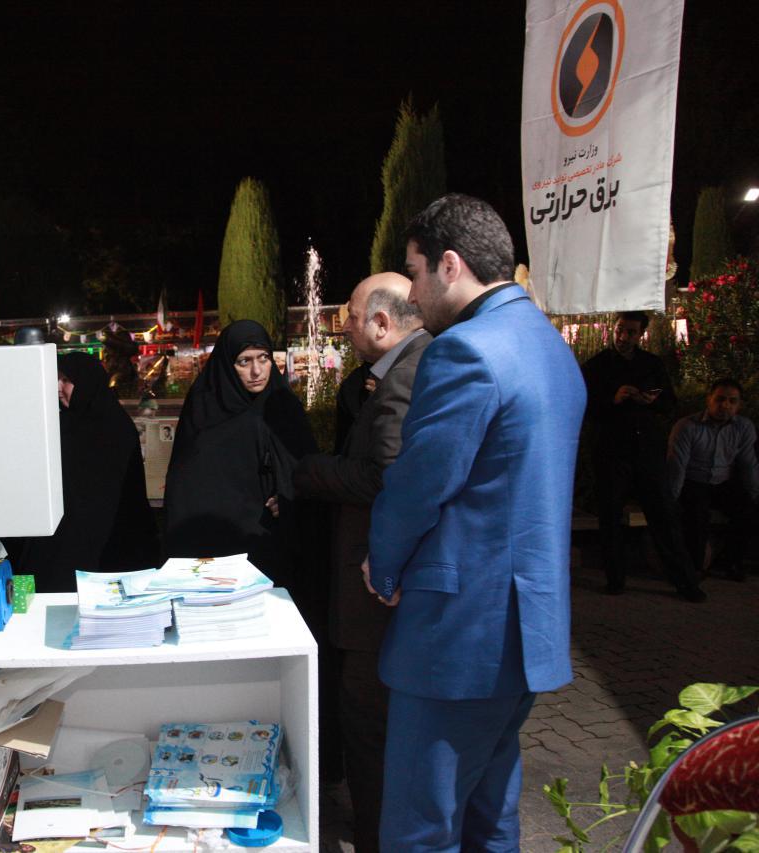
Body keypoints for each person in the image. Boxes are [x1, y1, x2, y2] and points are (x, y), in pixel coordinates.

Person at [362, 194, 586, 850]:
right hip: (524, 631)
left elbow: (419, 484)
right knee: (490, 819)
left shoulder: (465, 350)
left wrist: (384, 566)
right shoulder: (548, 345)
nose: (411, 292)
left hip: (458, 638)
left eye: (414, 271)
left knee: (419, 829)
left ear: (450, 265)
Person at [293, 272, 430, 853]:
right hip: (388, 587)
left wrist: (313, 471)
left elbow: (385, 476)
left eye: (349, 315)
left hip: (377, 590)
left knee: (369, 722)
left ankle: (376, 837)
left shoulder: (405, 376)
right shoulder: (406, 368)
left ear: (380, 321)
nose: (342, 327)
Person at [164, 320, 317, 589]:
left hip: (270, 544)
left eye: (264, 358)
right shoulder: (205, 407)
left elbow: (307, 469)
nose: (257, 371)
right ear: (227, 363)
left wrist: (291, 495)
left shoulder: (283, 406)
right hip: (215, 547)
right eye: (244, 361)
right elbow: (186, 487)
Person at [5, 352, 161, 591]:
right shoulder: (106, 423)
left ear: (87, 381)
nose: (58, 387)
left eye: (66, 380)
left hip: (100, 550)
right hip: (81, 551)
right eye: (56, 379)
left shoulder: (104, 428)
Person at [582, 311, 705, 600]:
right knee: (610, 516)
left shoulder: (651, 364)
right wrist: (613, 399)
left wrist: (650, 400)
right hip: (612, 450)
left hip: (646, 448)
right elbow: (585, 407)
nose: (623, 337)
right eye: (620, 330)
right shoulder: (597, 365)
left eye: (630, 332)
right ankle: (615, 579)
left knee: (663, 514)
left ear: (641, 334)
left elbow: (669, 403)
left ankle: (685, 581)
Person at [667, 378, 759, 581]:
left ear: (739, 405)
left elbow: (748, 464)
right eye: (720, 399)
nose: (725, 405)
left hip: (722, 482)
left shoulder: (743, 427)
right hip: (694, 480)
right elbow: (677, 466)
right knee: (696, 514)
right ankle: (696, 566)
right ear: (709, 399)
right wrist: (671, 500)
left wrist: (754, 495)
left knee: (746, 511)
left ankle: (732, 561)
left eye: (732, 401)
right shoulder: (687, 426)